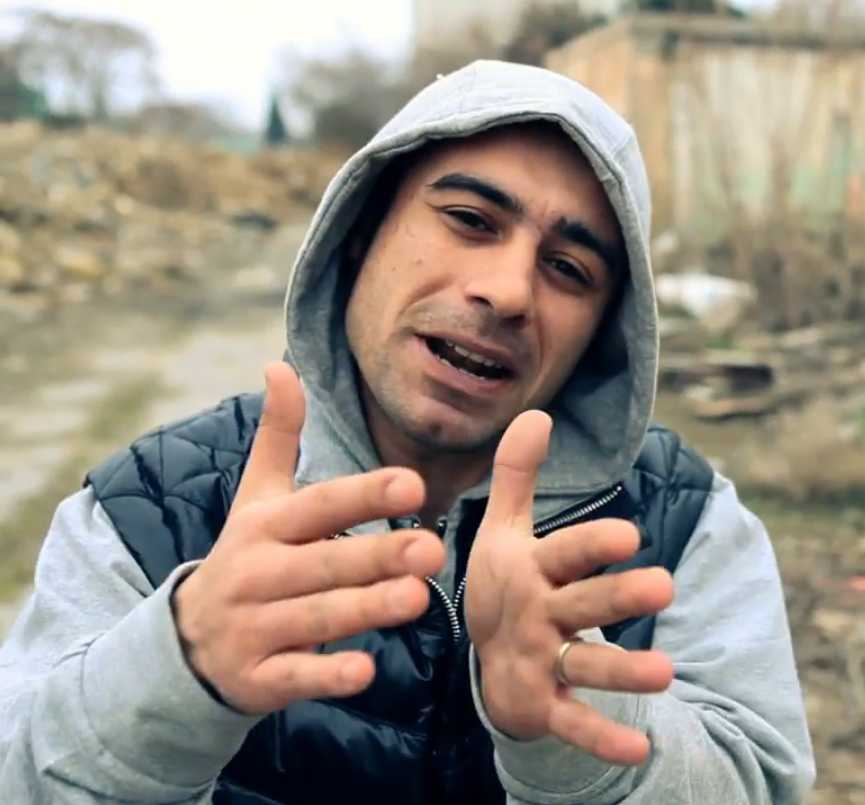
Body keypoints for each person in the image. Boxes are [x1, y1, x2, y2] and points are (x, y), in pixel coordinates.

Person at [0, 60, 814, 804]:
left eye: (568, 269)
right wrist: (176, 674)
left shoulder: (687, 525)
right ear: (360, 233)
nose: (507, 292)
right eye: (469, 219)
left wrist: (581, 727)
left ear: (603, 334)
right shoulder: (145, 505)